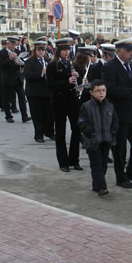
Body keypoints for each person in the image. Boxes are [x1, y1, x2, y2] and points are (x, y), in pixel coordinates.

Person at [102, 38, 132, 188]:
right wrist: (131, 91)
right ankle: (121, 178)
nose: (131, 54)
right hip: (120, 113)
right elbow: (109, 90)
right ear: (119, 52)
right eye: (128, 51)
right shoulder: (110, 67)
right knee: (120, 148)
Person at [78, 80, 119, 197]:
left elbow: (115, 121)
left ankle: (96, 184)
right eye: (98, 91)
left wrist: (112, 134)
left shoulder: (110, 106)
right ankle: (102, 187)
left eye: (103, 90)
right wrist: (91, 134)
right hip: (93, 141)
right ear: (91, 92)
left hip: (106, 140)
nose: (101, 93)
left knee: (103, 165)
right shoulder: (86, 106)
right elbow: (82, 123)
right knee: (96, 164)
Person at [46, 38, 82, 172]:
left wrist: (77, 79)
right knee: (60, 132)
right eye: (64, 50)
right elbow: (51, 85)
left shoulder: (70, 64)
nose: (66, 52)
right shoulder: (52, 65)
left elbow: (73, 81)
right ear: (58, 51)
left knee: (76, 130)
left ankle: (74, 160)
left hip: (72, 100)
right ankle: (63, 162)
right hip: (59, 101)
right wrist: (67, 81)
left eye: (68, 50)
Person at [24, 40, 55, 142]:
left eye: (43, 50)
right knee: (37, 115)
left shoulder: (48, 61)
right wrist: (41, 73)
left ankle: (49, 132)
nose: (41, 52)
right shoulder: (29, 61)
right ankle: (39, 135)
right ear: (35, 50)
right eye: (39, 50)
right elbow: (28, 75)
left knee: (49, 114)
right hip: (35, 93)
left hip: (47, 92)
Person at [0, 36, 31, 123]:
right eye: (12, 44)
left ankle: (24, 116)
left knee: (22, 97)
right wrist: (9, 59)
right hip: (7, 79)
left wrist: (22, 64)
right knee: (7, 98)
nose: (13, 46)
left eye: (14, 44)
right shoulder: (0, 53)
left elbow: (23, 63)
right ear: (7, 44)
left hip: (18, 78)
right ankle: (8, 116)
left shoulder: (18, 52)